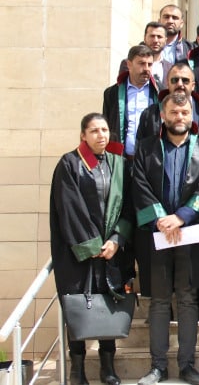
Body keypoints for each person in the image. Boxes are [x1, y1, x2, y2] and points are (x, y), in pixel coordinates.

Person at [133, 92, 199, 385]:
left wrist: (181, 216)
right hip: (158, 235)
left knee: (188, 299)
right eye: (174, 113)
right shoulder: (146, 148)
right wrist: (161, 218)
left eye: (184, 113)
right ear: (163, 116)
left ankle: (187, 365)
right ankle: (158, 366)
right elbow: (139, 184)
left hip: (189, 233)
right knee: (159, 300)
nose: (180, 118)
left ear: (192, 116)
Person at [51, 113, 132, 385]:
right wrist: (92, 245)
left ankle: (107, 367)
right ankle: (77, 369)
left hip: (111, 251)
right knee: (77, 306)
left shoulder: (118, 165)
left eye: (105, 130)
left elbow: (128, 206)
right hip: (78, 253)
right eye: (94, 131)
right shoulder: (70, 164)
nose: (101, 135)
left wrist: (117, 239)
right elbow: (69, 207)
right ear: (83, 135)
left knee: (108, 304)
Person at [103, 45, 159, 157]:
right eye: (141, 63)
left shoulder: (159, 92)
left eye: (149, 64)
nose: (146, 68)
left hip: (151, 159)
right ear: (129, 64)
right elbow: (106, 126)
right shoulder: (112, 93)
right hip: (121, 158)